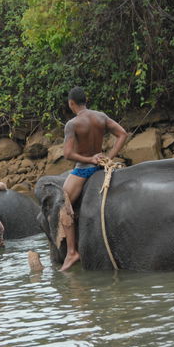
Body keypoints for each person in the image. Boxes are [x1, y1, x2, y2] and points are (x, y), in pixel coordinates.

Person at [58, 86, 128, 271]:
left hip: (84, 169)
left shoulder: (72, 124)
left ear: (71, 103)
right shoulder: (101, 117)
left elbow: (67, 154)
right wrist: (109, 157)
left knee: (64, 203)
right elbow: (123, 134)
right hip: (102, 165)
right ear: (85, 100)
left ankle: (72, 252)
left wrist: (89, 159)